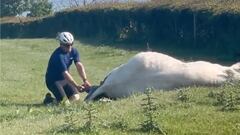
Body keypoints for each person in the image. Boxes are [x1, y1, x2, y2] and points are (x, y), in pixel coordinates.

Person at [44, 32, 91, 105]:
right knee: (65, 104)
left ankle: (58, 100)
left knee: (76, 97)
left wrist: (85, 80)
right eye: (67, 45)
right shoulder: (58, 56)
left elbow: (79, 65)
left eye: (71, 44)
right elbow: (65, 74)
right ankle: (49, 100)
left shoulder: (74, 51)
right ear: (61, 44)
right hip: (53, 81)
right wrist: (76, 86)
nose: (69, 47)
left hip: (64, 80)